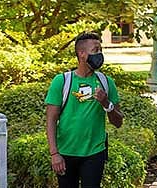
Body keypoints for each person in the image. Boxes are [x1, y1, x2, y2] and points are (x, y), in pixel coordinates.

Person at [45, 32, 123, 188]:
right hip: (66, 153)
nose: (99, 54)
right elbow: (51, 120)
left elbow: (118, 122)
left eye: (100, 50)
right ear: (81, 54)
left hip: (95, 153)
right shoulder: (62, 81)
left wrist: (106, 103)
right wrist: (54, 154)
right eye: (95, 50)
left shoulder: (106, 82)